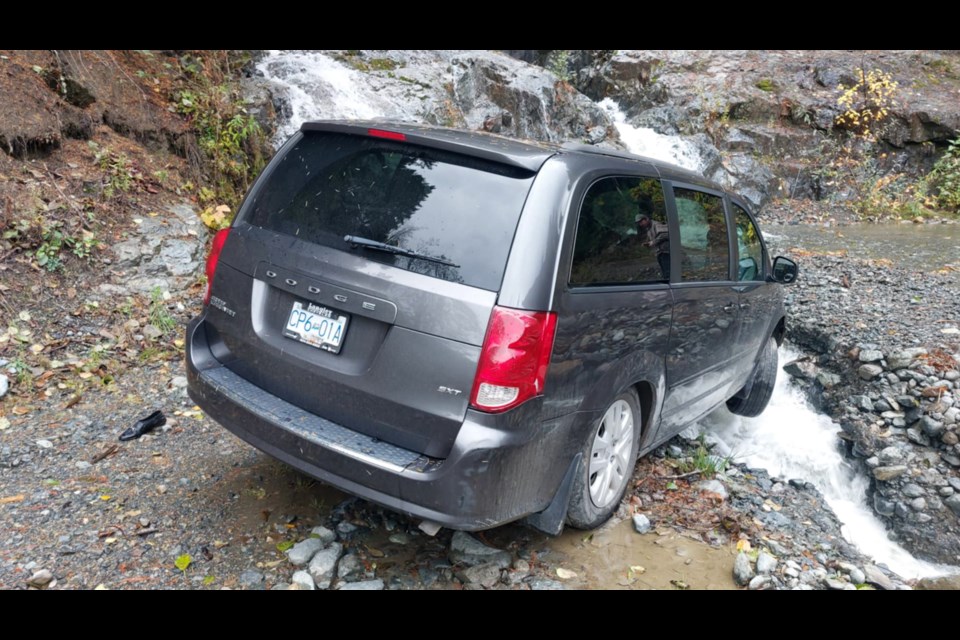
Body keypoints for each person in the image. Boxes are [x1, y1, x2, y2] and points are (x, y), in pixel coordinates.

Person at [636, 209, 671, 280]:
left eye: (641, 222)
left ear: (646, 219)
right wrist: (648, 243)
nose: (640, 224)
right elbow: (655, 238)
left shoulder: (656, 224)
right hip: (659, 252)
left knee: (667, 272)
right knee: (664, 271)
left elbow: (664, 235)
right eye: (639, 223)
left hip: (665, 251)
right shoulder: (648, 228)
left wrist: (653, 242)